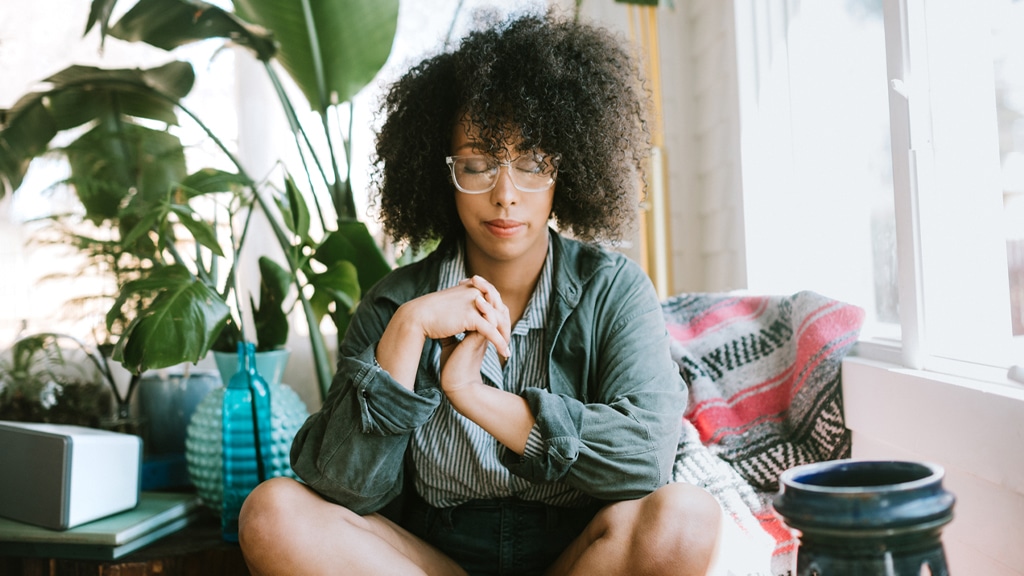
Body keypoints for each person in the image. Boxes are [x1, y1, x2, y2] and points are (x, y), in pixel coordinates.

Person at [238, 11, 722, 576]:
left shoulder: (612, 290)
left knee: (686, 517)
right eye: (477, 163)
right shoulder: (395, 305)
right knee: (272, 513)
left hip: (580, 559)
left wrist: (474, 394)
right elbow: (344, 491)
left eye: (533, 163)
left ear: (567, 168)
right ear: (442, 170)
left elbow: (643, 460)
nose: (505, 194)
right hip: (432, 561)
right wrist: (405, 336)